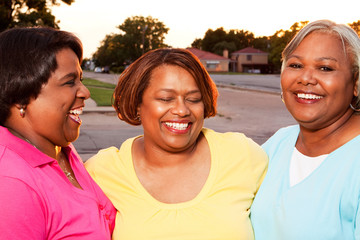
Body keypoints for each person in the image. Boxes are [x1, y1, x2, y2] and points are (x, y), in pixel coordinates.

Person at [85, 48, 268, 239]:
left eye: (193, 99)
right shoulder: (101, 172)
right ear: (137, 103)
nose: (182, 110)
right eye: (166, 98)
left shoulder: (243, 155)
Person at [0, 27, 116, 239]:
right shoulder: (11, 184)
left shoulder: (61, 148)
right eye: (69, 82)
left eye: (81, 79)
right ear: (21, 96)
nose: (85, 92)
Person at [250, 19, 360, 239]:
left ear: (356, 82)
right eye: (296, 65)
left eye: (325, 68)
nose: (306, 78)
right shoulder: (278, 143)